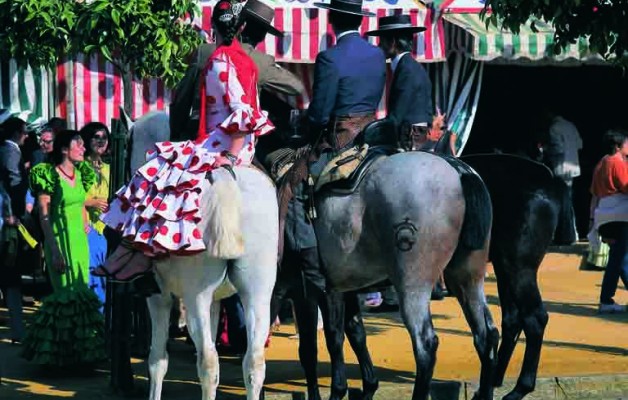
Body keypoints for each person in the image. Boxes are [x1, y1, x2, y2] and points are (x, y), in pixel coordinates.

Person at [94, 0, 275, 280]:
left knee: (155, 171)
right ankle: (136, 252)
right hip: (242, 146)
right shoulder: (248, 62)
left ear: (213, 27)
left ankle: (141, 253)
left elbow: (241, 112)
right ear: (242, 28)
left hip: (225, 146)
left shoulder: (219, 60)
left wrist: (227, 156)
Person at [282, 0, 386, 294]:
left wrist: (304, 127)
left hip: (341, 141)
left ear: (332, 20)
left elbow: (319, 115)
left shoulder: (329, 57)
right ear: (360, 22)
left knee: (293, 186)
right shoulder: (377, 54)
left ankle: (309, 267)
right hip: (374, 138)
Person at [21, 130, 106, 365]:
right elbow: (44, 217)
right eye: (77, 144)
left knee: (81, 292)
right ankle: (60, 357)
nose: (82, 148)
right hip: (58, 241)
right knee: (65, 296)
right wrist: (54, 249)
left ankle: (80, 355)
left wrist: (85, 223)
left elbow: (79, 202)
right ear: (64, 150)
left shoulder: (82, 174)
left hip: (80, 242)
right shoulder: (48, 175)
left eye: (81, 144)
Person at [169, 0, 303, 142]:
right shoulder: (262, 62)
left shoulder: (204, 51)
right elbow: (297, 87)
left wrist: (176, 135)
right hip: (238, 142)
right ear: (262, 36)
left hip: (198, 135)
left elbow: (181, 100)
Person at [365, 15, 432, 144]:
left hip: (410, 135)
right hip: (414, 133)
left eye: (382, 41)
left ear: (392, 43)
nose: (379, 46)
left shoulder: (407, 70)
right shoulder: (411, 66)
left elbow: (397, 115)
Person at [587, 129, 628, 314]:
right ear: (619, 146)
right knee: (620, 259)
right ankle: (606, 299)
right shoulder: (617, 163)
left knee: (620, 257)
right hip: (620, 214)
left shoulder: (601, 163)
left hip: (604, 215)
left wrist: (592, 220)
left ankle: (606, 299)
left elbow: (594, 195)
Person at [0, 116, 29, 343]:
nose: (27, 136)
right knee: (11, 275)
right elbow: (14, 183)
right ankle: (18, 329)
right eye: (24, 131)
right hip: (8, 222)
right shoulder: (11, 152)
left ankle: (18, 328)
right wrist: (17, 213)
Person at [80, 122, 111, 308]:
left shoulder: (110, 168)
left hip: (108, 229)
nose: (101, 141)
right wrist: (91, 202)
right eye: (96, 137)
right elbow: (70, 198)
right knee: (92, 276)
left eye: (104, 137)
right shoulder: (80, 166)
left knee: (104, 278)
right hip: (87, 227)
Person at [542, 110, 582, 241]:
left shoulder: (554, 128)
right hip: (573, 167)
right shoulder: (571, 125)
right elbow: (580, 144)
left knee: (561, 201)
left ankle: (563, 233)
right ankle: (573, 232)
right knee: (569, 200)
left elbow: (558, 148)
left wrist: (546, 149)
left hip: (561, 167)